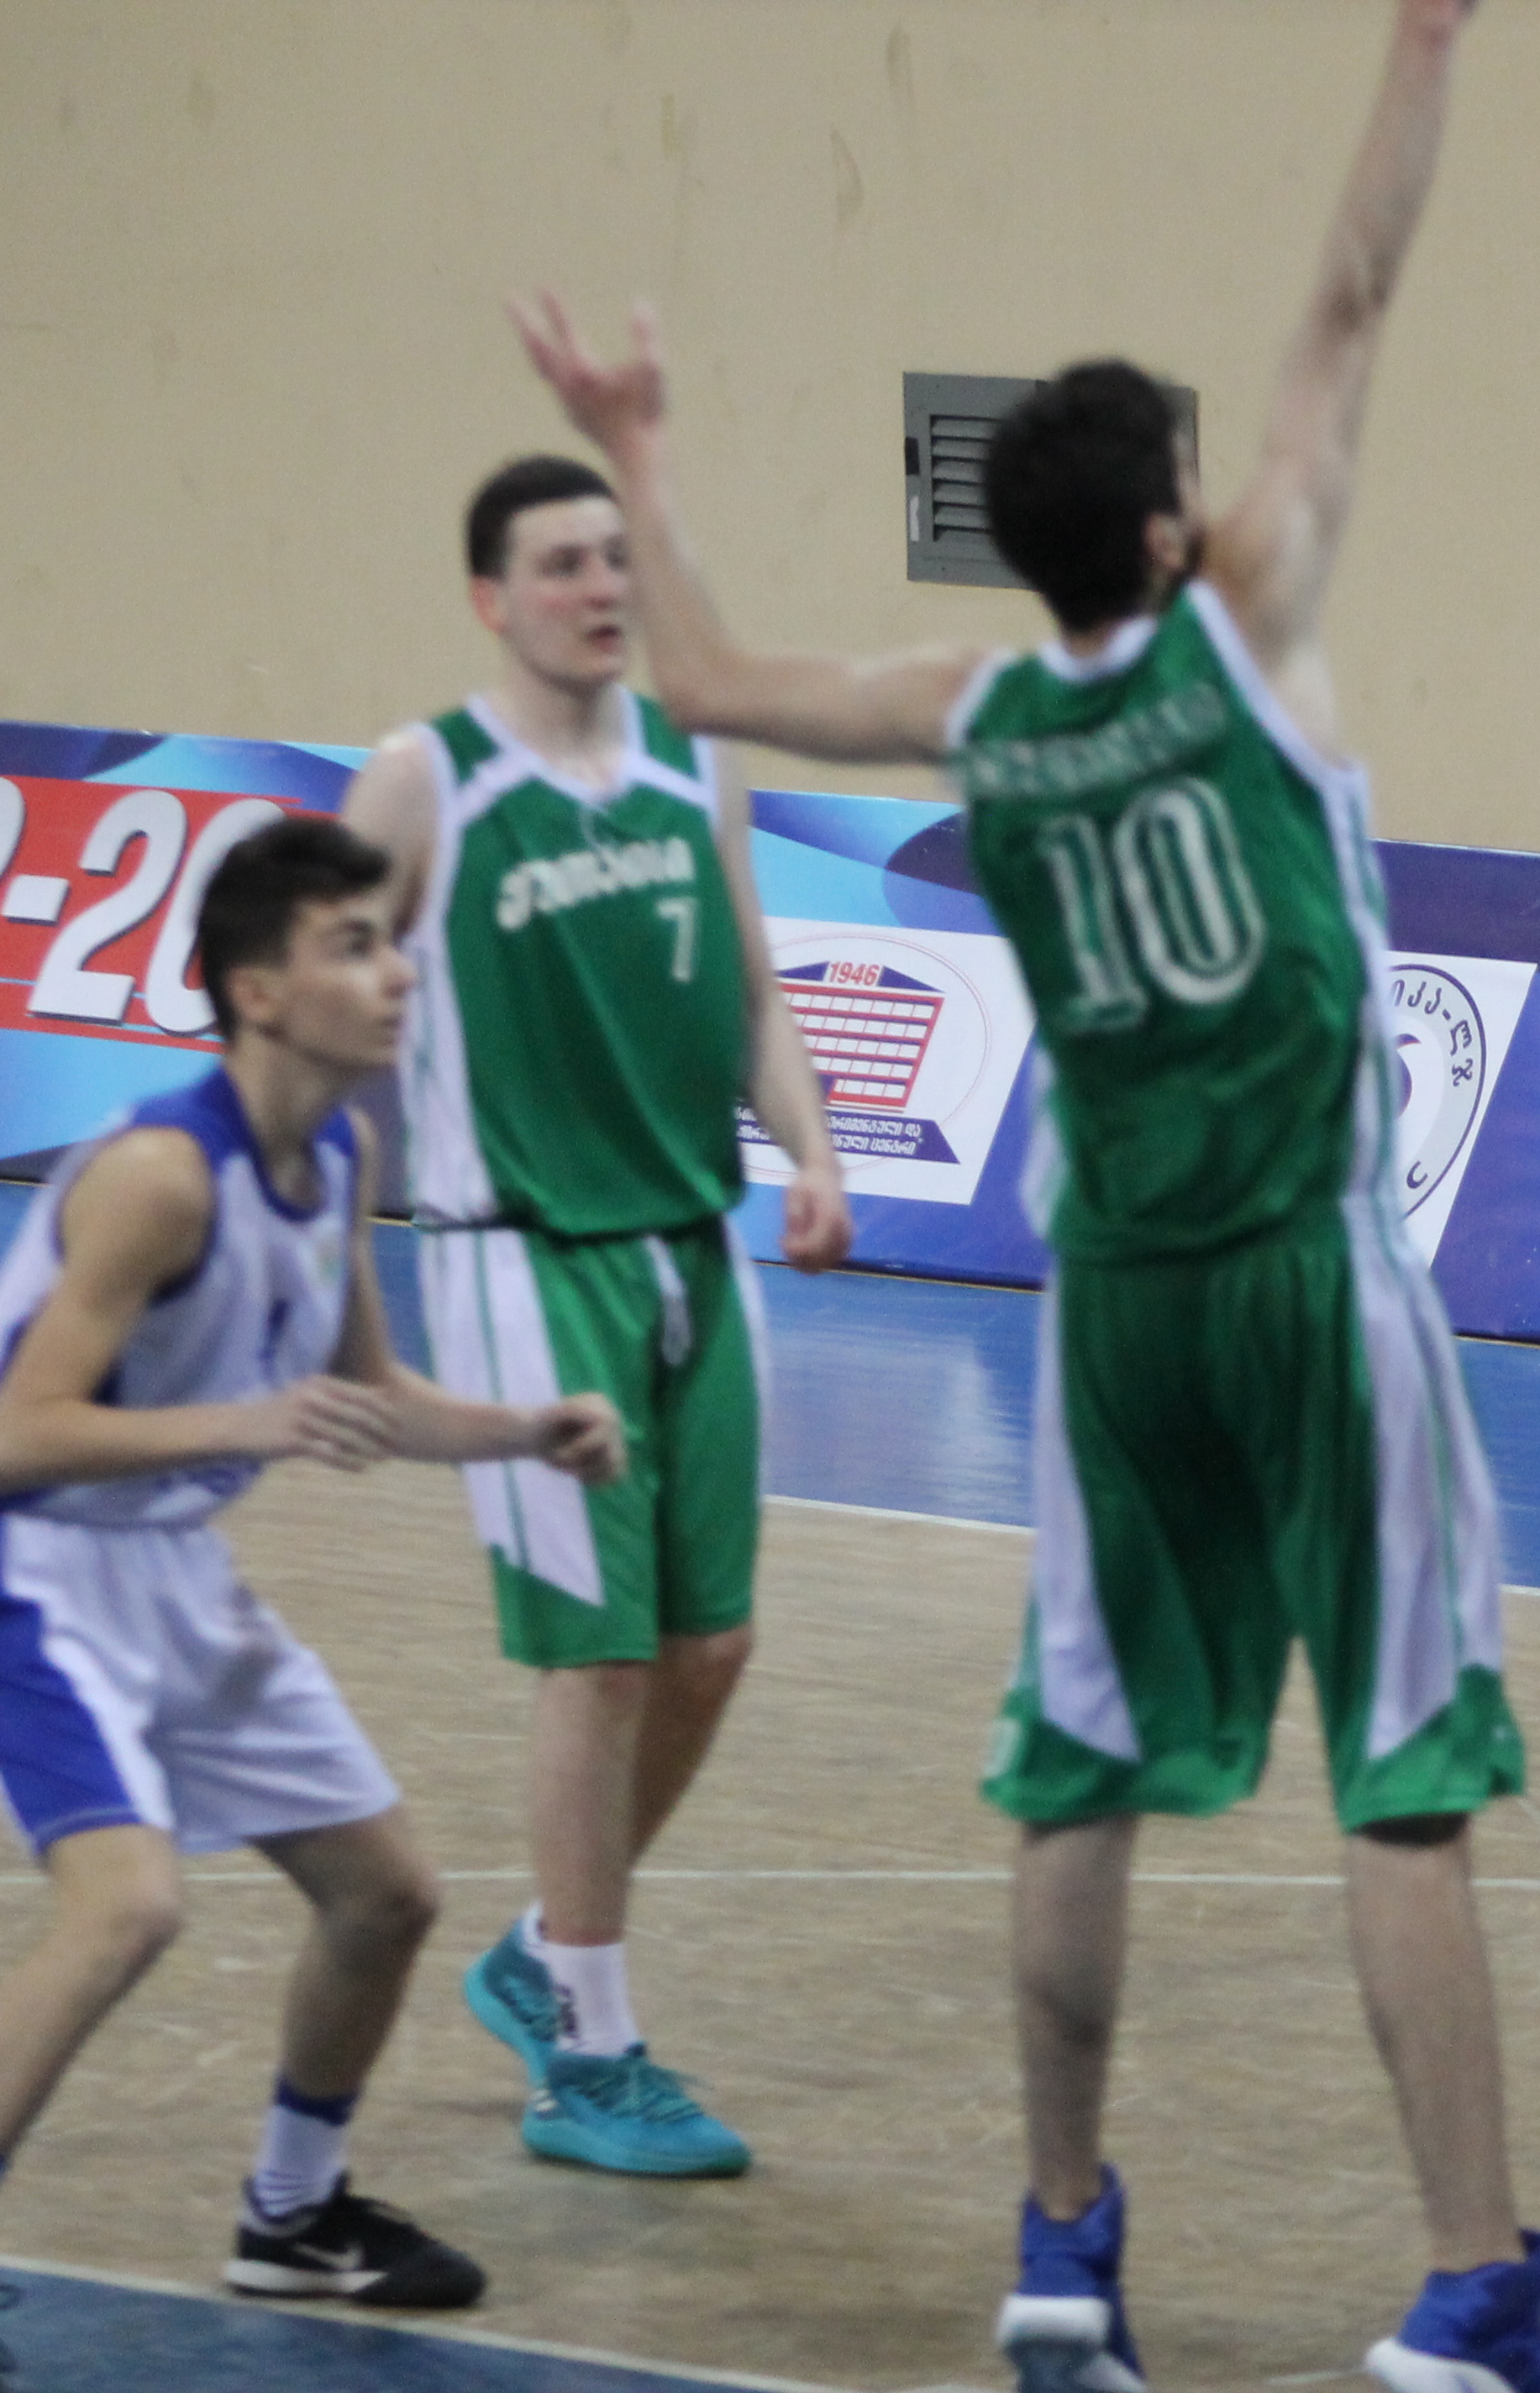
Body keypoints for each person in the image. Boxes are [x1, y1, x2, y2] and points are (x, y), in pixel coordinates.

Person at [508, 5, 1540, 2386]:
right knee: (1404, 1783)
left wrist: (639, 447)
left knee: (1077, 1769)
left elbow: (707, 670)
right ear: (1173, 529)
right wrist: (1423, 45)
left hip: (1112, 1307)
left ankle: (1062, 2236)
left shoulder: (973, 711)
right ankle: (1469, 2277)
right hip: (1310, 1277)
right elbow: (1351, 298)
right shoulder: (1251, 622)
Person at [0, 818, 625, 2317]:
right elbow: (17, 1435)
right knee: (127, 1908)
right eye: (354, 947)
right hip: (37, 1570)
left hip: (166, 1564)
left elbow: (365, 1396)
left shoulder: (340, 1153)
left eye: (393, 943)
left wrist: (524, 1431)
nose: (398, 974)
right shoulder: (162, 1175)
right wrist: (241, 1421)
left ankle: (290, 2216)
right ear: (259, 993)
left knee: (386, 1895)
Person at [335, 448, 853, 2180]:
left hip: (693, 1246)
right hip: (521, 1255)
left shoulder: (694, 765)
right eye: (562, 563)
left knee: (711, 1647)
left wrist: (814, 1152)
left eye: (616, 557)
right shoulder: (425, 781)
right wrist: (297, 1197)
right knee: (602, 1655)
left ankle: (543, 1955)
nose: (601, 586)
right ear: (491, 597)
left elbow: (755, 990)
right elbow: (304, 982)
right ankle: (590, 2051)